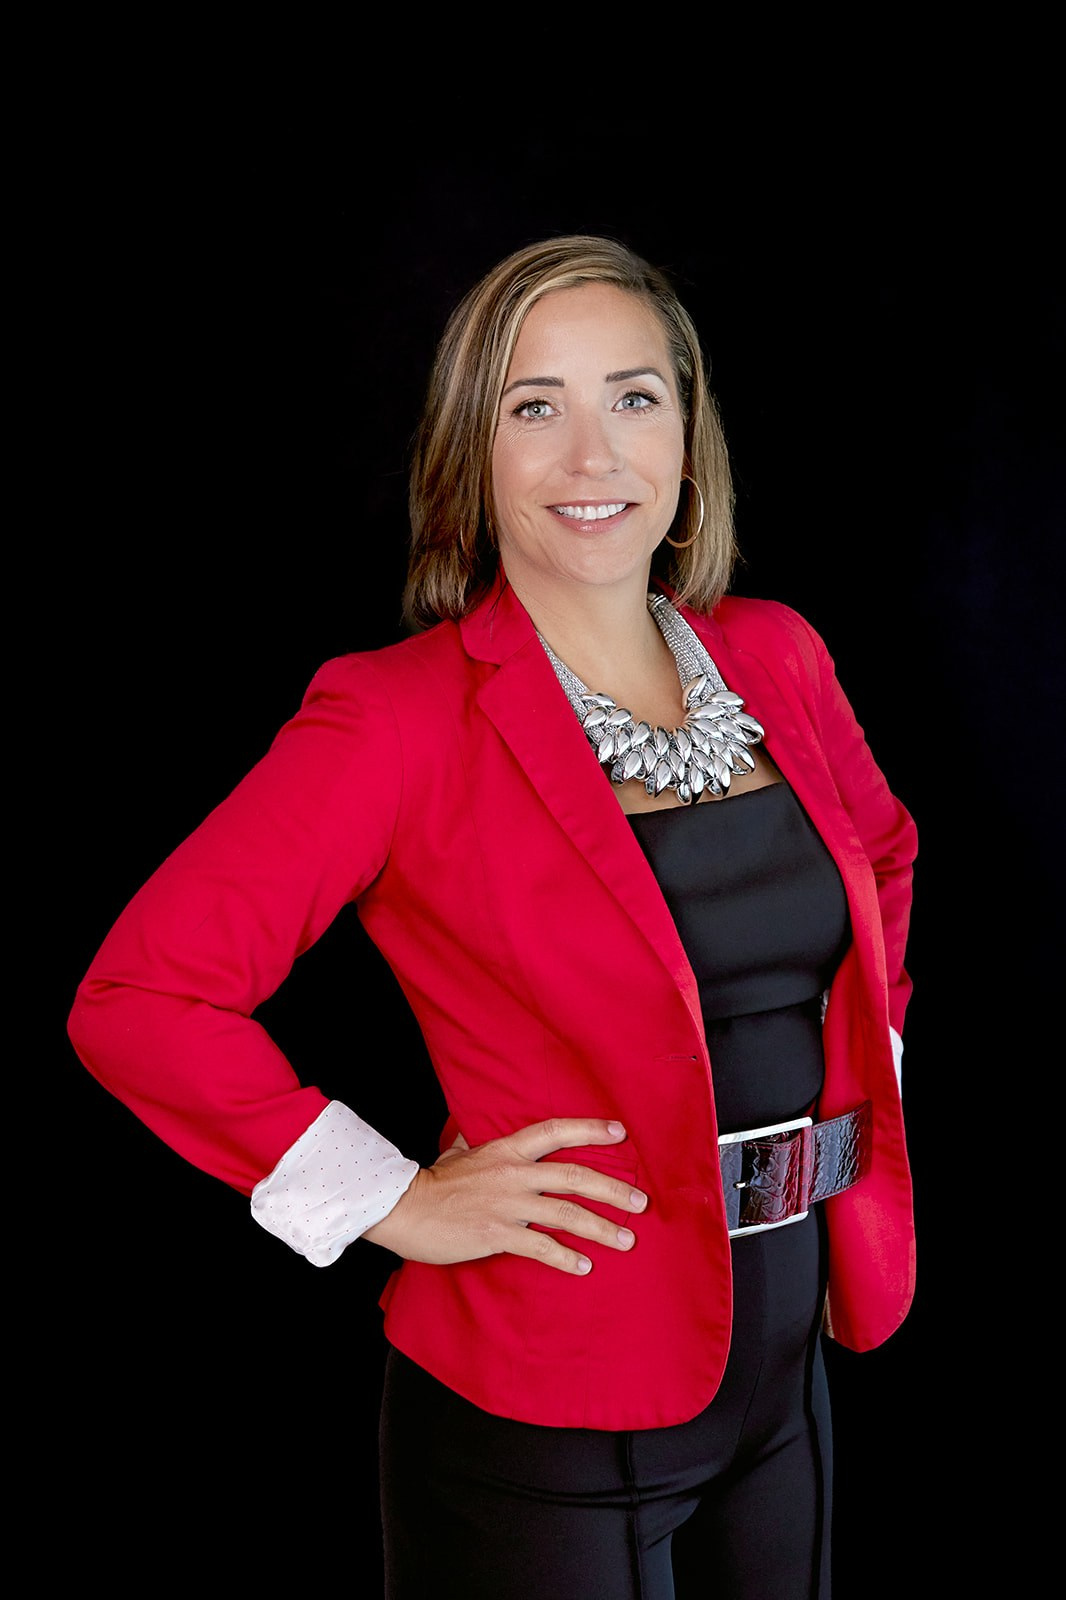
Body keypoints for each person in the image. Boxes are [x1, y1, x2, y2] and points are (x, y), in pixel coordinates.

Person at [67, 234, 918, 1599]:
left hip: (784, 1364)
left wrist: (858, 1085)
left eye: (632, 399)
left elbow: (876, 858)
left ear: (687, 438)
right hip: (545, 1399)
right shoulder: (391, 720)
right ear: (475, 452)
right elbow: (141, 1000)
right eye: (537, 408)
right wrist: (393, 1198)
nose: (593, 455)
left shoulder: (776, 652)